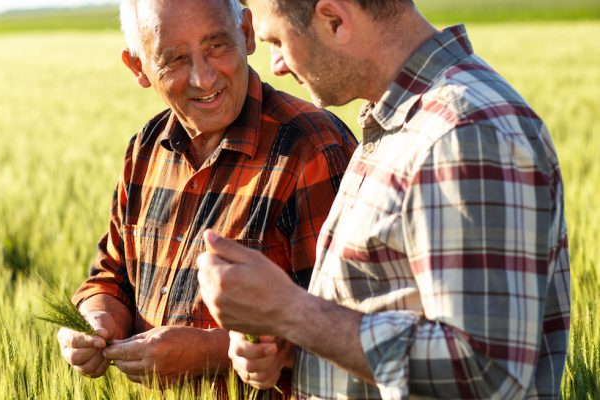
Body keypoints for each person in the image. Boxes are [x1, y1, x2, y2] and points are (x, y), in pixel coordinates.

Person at [197, 0, 571, 398]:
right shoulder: (400, 121)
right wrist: (294, 345)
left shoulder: (464, 133)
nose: (277, 66)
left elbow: (484, 371)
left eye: (278, 41)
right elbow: (392, 311)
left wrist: (294, 312)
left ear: (334, 20)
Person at [56, 0, 357, 390]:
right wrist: (97, 323)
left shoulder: (312, 149)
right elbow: (112, 277)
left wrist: (208, 353)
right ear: (138, 68)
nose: (203, 78)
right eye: (175, 59)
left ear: (247, 33)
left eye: (217, 46)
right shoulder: (145, 150)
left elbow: (351, 329)